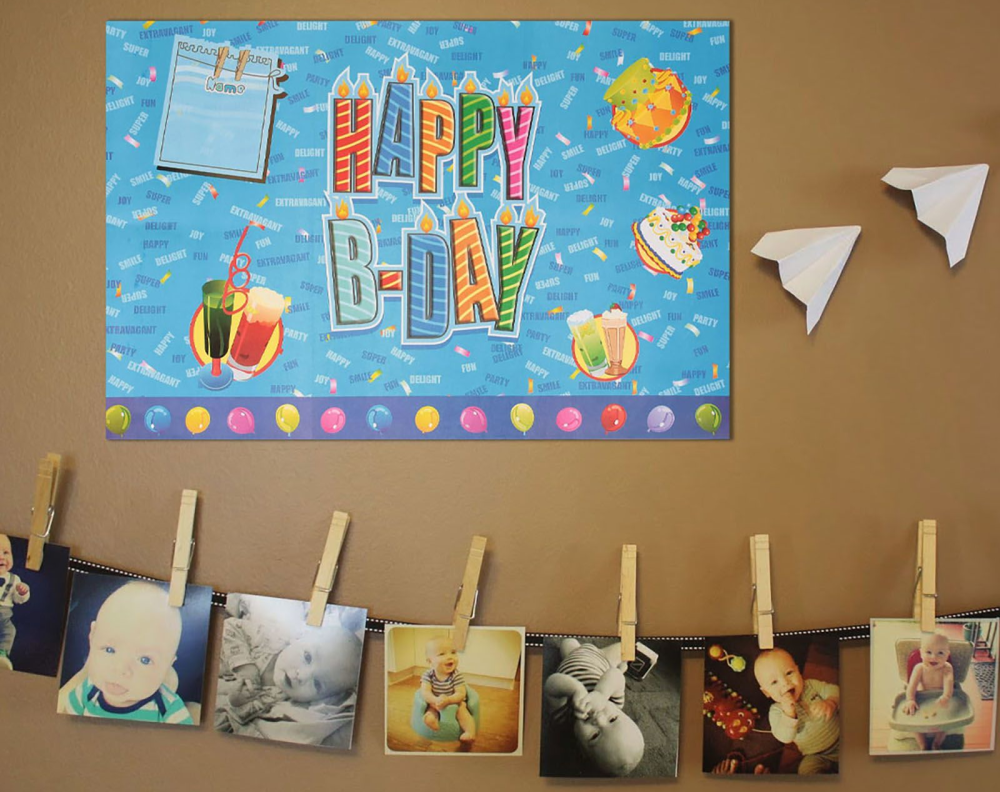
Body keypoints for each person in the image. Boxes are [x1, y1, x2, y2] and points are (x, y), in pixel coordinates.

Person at [215, 595, 364, 746]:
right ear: (300, 638)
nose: (302, 676)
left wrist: (236, 702)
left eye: (317, 684)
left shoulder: (277, 698)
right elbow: (229, 626)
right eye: (307, 657)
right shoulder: (269, 639)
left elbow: (242, 715)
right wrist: (244, 665)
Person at [58, 581, 193, 723]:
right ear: (92, 637)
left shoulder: (170, 710)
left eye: (145, 660)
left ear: (168, 665)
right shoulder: (85, 692)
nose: (120, 669)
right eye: (110, 650)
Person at [543, 639, 645, 776]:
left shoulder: (564, 718)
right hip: (602, 659)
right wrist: (601, 693)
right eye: (613, 719)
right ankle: (623, 665)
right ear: (624, 714)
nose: (599, 720)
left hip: (572, 656)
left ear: (581, 748)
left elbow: (551, 685)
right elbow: (615, 675)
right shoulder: (614, 702)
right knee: (627, 648)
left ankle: (621, 664)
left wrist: (575, 690)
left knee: (567, 642)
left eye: (595, 735)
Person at [754, 647, 839, 774]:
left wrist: (831, 702)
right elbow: (784, 737)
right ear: (766, 692)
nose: (785, 682)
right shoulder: (776, 711)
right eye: (774, 682)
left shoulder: (811, 685)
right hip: (816, 755)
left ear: (798, 671)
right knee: (805, 770)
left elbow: (834, 690)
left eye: (789, 673)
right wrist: (789, 714)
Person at [901, 632, 955, 750]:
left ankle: (937, 743)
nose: (933, 657)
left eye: (940, 653)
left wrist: (946, 697)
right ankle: (923, 744)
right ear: (921, 653)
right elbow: (911, 686)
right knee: (913, 721)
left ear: (947, 655)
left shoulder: (947, 668)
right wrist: (910, 699)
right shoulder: (919, 668)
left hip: (941, 698)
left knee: (947, 722)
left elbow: (949, 682)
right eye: (928, 652)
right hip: (923, 698)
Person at [420, 636, 476, 743]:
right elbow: (425, 692)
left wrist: (449, 700)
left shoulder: (456, 675)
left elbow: (461, 693)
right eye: (442, 654)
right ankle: (433, 723)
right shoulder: (428, 675)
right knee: (430, 712)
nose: (450, 657)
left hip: (455, 703)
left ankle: (470, 732)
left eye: (453, 652)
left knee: (462, 712)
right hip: (435, 703)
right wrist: (436, 700)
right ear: (430, 661)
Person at [0, 534, 31, 671]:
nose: (1, 557)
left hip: (4, 616)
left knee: (9, 631)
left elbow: (18, 600)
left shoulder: (14, 579)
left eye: (6, 552)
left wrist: (22, 592)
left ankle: (2, 654)